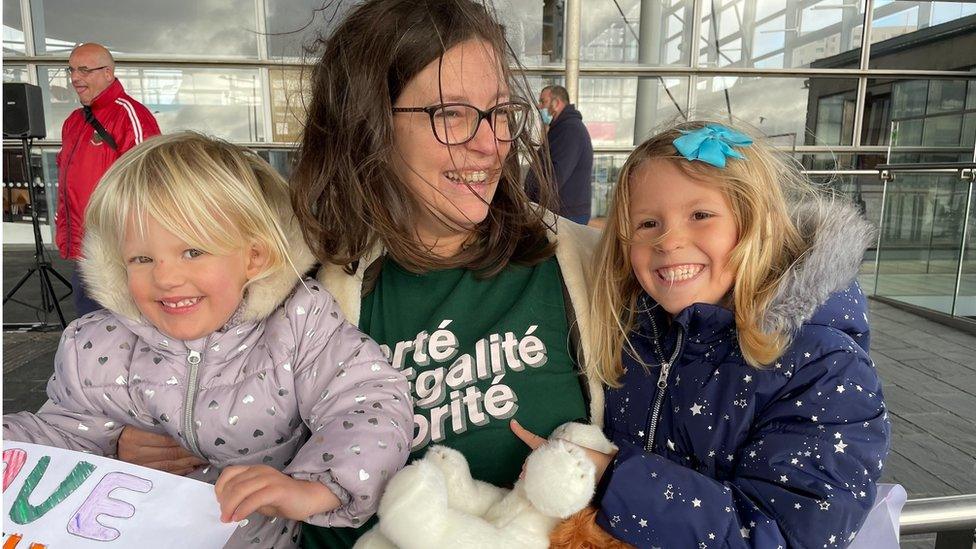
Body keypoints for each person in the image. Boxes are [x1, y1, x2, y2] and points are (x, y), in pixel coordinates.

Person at [113, 2, 603, 546]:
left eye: (500, 111)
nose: (489, 143)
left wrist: (618, 477)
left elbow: (693, 425)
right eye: (452, 114)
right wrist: (122, 445)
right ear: (370, 125)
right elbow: (179, 402)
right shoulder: (286, 289)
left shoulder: (584, 265)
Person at [3, 132, 412, 549]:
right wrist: (103, 447)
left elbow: (366, 400)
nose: (165, 278)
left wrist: (316, 487)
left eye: (193, 251)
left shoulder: (297, 324)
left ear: (253, 255)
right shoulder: (97, 344)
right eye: (142, 258)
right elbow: (59, 437)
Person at [536, 121, 891, 547]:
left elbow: (785, 535)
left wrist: (612, 474)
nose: (669, 241)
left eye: (700, 215)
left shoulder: (824, 365)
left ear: (756, 222)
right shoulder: (639, 330)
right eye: (647, 223)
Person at [56, 42, 161, 317]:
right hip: (85, 249)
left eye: (84, 70)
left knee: (129, 326)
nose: (75, 78)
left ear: (108, 73)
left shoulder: (130, 115)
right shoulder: (73, 122)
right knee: (91, 326)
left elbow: (149, 181)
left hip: (118, 249)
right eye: (71, 70)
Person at [527, 85, 593, 225]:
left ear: (556, 103)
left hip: (565, 215)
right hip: (560, 213)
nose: (539, 106)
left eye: (543, 101)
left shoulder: (569, 130)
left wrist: (536, 207)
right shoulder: (561, 128)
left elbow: (556, 175)